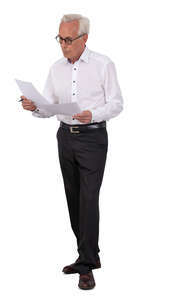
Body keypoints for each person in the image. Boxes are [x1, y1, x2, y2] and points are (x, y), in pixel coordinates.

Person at [21, 13, 124, 290]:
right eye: (60, 39)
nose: (63, 45)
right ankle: (88, 256)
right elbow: (49, 106)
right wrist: (36, 107)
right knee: (74, 199)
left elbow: (116, 104)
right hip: (65, 138)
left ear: (84, 38)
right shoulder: (56, 69)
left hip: (92, 140)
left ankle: (86, 265)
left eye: (68, 39)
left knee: (89, 200)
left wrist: (92, 114)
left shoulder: (103, 64)